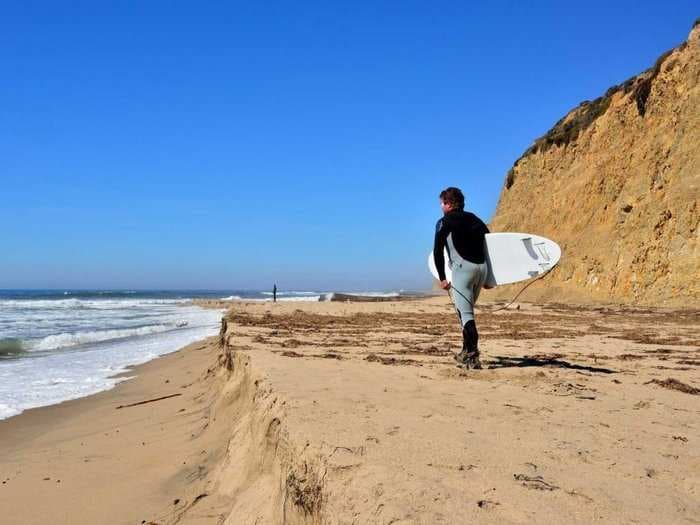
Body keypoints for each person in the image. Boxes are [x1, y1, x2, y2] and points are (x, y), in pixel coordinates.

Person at [433, 187, 490, 369]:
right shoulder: (476, 220)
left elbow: (437, 252)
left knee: (466, 315)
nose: (441, 206)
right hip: (482, 269)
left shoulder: (444, 221)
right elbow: (490, 245)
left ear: (448, 204)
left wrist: (442, 278)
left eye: (442, 203)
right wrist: (491, 278)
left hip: (463, 270)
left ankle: (472, 357)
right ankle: (466, 351)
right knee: (464, 312)